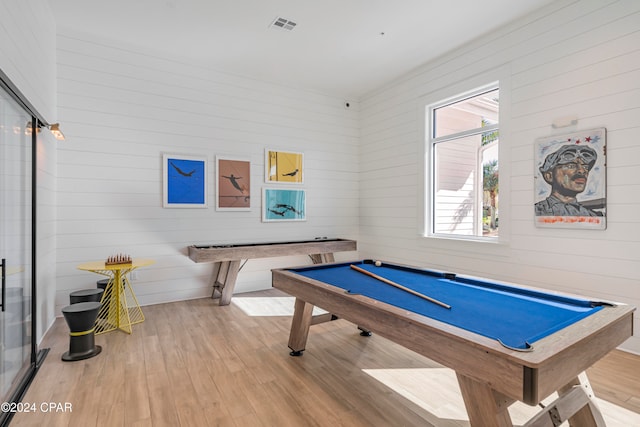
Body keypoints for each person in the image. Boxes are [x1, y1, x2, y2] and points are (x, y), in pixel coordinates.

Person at [534, 144, 602, 217]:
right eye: (571, 166)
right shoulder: (536, 211)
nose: (582, 171)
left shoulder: (594, 216)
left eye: (585, 167)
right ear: (549, 176)